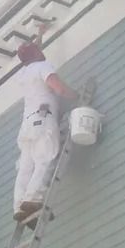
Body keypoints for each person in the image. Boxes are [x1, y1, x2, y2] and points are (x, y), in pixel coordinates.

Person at [13, 35, 79, 221]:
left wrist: (40, 33)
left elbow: (30, 52)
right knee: (44, 159)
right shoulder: (43, 66)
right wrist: (75, 95)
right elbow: (58, 88)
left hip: (27, 126)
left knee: (26, 166)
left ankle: (19, 205)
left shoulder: (24, 73)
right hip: (43, 119)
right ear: (37, 53)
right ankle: (33, 198)